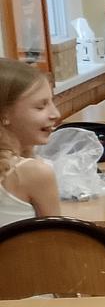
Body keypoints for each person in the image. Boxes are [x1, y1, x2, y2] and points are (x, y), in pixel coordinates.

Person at [0, 60, 60, 224]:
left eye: (52, 102)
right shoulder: (34, 172)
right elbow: (56, 237)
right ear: (4, 114)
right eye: (40, 107)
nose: (56, 114)